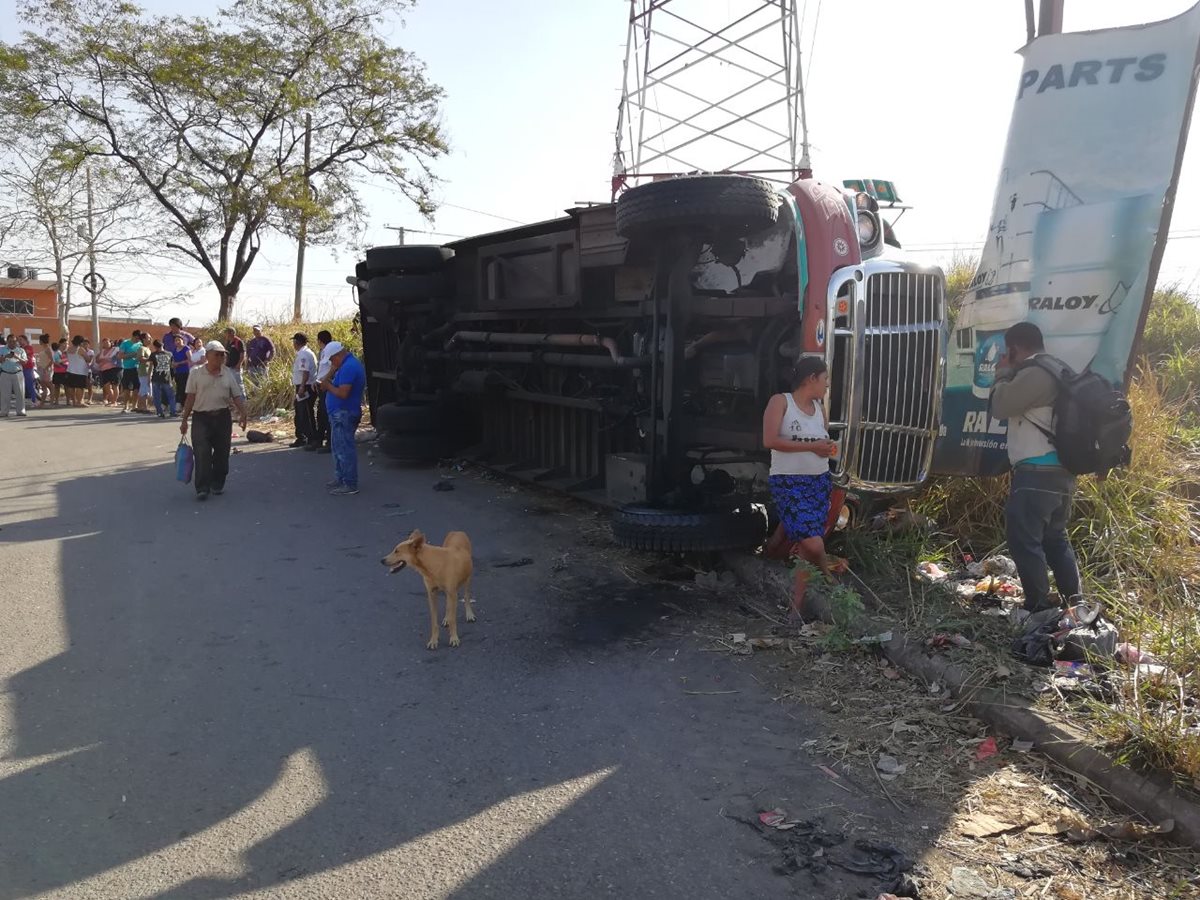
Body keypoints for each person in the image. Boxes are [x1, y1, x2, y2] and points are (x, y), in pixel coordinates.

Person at [989, 321, 1082, 614]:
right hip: (1062, 473)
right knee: (1055, 540)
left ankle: (1039, 609)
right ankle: (1075, 605)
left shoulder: (1035, 374)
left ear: (1015, 348)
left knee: (1024, 541)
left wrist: (1002, 372)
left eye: (1008, 351)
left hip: (1036, 473)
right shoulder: (1059, 370)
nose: (1007, 356)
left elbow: (1001, 406)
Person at [762, 357, 839, 619]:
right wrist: (812, 447)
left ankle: (797, 606)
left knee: (807, 549)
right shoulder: (781, 402)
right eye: (825, 379)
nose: (827, 385)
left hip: (818, 482)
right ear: (811, 379)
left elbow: (821, 442)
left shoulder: (820, 409)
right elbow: (769, 440)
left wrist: (825, 448)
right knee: (814, 545)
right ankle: (828, 573)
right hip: (789, 482)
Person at [180, 341, 248, 501]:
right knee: (202, 452)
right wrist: (184, 420)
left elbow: (236, 395)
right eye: (217, 354)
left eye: (223, 354)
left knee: (222, 453)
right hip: (201, 417)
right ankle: (202, 487)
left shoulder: (228, 373)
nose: (221, 357)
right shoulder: (196, 373)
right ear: (207, 355)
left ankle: (217, 483)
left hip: (222, 417)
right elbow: (190, 397)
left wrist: (243, 414)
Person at [321, 341, 366, 495]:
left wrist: (327, 386)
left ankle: (350, 483)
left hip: (344, 413)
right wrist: (331, 373)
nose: (332, 363)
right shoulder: (344, 366)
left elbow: (343, 393)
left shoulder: (349, 367)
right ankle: (341, 477)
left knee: (344, 449)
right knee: (338, 448)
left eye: (332, 359)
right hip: (340, 413)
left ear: (338, 355)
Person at [290, 332, 318, 448]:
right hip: (305, 385)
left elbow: (305, 372)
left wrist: (301, 387)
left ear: (297, 342)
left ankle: (309, 437)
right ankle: (304, 436)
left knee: (304, 413)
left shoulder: (303, 355)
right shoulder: (306, 352)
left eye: (294, 342)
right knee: (302, 412)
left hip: (305, 386)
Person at [308, 329, 334, 453]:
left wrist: (325, 380)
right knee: (321, 414)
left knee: (326, 414)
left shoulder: (330, 351)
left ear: (319, 340)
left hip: (327, 385)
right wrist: (317, 380)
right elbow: (322, 368)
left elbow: (333, 368)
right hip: (321, 384)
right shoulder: (322, 352)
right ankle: (319, 440)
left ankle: (329, 442)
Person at [0, 334, 28, 417]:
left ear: (16, 342)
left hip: (18, 373)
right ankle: (4, 411)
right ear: (7, 342)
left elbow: (25, 362)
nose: (12, 343)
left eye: (14, 341)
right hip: (5, 373)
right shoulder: (2, 349)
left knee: (20, 393)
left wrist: (17, 357)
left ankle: (21, 410)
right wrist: (5, 357)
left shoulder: (21, 350)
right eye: (10, 341)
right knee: (5, 394)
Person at [149, 339, 177, 417]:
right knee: (171, 396)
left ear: (155, 346)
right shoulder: (169, 354)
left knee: (157, 397)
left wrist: (149, 377)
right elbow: (172, 366)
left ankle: (159, 412)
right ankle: (173, 412)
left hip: (156, 377)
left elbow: (151, 367)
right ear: (162, 345)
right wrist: (173, 377)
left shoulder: (153, 354)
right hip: (167, 377)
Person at [117, 330, 143, 413]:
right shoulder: (125, 343)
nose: (138, 340)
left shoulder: (140, 344)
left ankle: (134, 405)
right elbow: (120, 356)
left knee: (136, 388)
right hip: (127, 368)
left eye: (139, 339)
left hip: (138, 369)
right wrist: (132, 354)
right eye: (137, 338)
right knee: (126, 388)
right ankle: (125, 406)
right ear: (133, 336)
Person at [65, 335, 93, 407]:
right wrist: (91, 357)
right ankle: (79, 402)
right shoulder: (80, 349)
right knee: (80, 387)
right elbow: (88, 359)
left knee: (71, 387)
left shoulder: (68, 349)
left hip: (70, 369)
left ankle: (74, 401)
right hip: (80, 371)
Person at [222, 327, 247, 400]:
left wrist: (239, 364)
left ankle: (243, 400)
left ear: (232, 333)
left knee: (239, 384)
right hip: (228, 367)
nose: (225, 334)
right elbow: (226, 355)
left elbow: (242, 354)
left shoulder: (238, 341)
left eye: (227, 332)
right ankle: (232, 402)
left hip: (235, 367)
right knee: (229, 385)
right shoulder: (228, 342)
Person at [96, 338, 120, 406]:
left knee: (115, 385)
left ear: (110, 343)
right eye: (103, 343)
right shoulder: (102, 351)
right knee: (106, 386)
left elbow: (115, 358)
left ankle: (114, 402)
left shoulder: (115, 349)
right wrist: (105, 360)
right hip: (104, 370)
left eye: (107, 342)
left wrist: (104, 360)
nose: (105, 344)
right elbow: (97, 360)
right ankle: (112, 400)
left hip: (114, 369)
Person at [168, 334, 190, 404]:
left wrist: (179, 363)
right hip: (177, 372)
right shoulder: (174, 350)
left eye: (179, 340)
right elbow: (173, 360)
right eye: (175, 340)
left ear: (182, 340)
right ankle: (178, 404)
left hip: (185, 371)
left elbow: (190, 359)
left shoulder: (186, 348)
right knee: (178, 388)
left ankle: (183, 404)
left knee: (183, 388)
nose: (177, 342)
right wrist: (173, 364)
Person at [16, 335, 37, 409]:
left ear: (25, 340)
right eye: (18, 340)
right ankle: (27, 400)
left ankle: (34, 401)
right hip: (21, 369)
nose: (19, 341)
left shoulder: (29, 348)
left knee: (30, 384)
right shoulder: (20, 348)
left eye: (21, 340)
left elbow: (27, 358)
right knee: (22, 385)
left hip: (28, 368)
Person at [135, 334, 154, 413]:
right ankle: (144, 407)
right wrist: (151, 359)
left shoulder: (148, 349)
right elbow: (140, 358)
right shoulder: (141, 348)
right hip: (144, 371)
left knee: (144, 389)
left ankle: (140, 406)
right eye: (148, 338)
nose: (150, 339)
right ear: (143, 339)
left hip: (148, 371)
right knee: (145, 390)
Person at [50, 339, 69, 406]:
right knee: (57, 386)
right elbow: (56, 362)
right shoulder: (57, 352)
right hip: (57, 371)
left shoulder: (67, 352)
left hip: (65, 371)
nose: (66, 345)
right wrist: (65, 361)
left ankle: (68, 401)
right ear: (61, 344)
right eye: (65, 343)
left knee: (66, 386)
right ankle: (57, 400)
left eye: (67, 343)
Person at [35, 333, 52, 403]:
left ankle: (51, 401)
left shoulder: (48, 349)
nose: (39, 342)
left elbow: (52, 360)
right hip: (41, 369)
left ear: (41, 341)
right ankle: (43, 402)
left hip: (46, 370)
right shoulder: (43, 349)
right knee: (44, 386)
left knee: (47, 385)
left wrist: (46, 368)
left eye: (39, 340)